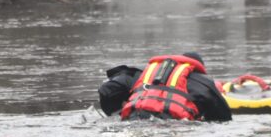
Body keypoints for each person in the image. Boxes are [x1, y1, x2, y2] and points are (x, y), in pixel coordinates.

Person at [98, 52, 232, 121]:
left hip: (134, 119)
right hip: (173, 126)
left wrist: (117, 114)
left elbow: (106, 90)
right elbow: (223, 118)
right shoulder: (202, 82)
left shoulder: (143, 75)